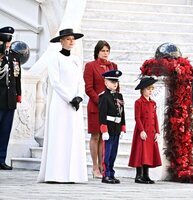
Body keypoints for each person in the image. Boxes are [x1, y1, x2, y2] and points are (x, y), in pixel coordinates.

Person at [37, 29, 88, 183]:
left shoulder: (76, 60)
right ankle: (55, 174)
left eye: (73, 39)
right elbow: (55, 82)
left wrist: (79, 96)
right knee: (59, 136)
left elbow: (81, 81)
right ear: (61, 41)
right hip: (60, 103)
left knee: (73, 136)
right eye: (68, 39)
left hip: (75, 105)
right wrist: (70, 98)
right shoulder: (54, 58)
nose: (71, 42)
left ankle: (73, 174)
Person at [83, 40, 118, 178]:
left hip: (110, 109)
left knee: (106, 137)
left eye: (107, 51)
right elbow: (88, 88)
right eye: (103, 50)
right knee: (96, 135)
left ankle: (104, 166)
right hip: (96, 106)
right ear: (97, 52)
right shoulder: (90, 66)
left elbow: (116, 86)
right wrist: (102, 101)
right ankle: (95, 167)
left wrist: (114, 104)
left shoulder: (113, 66)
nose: (105, 53)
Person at [128, 77, 162, 184]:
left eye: (152, 89)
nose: (150, 91)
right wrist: (141, 130)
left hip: (151, 132)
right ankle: (138, 176)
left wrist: (157, 131)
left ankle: (146, 175)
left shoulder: (153, 103)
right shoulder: (138, 102)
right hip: (142, 131)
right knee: (140, 153)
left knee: (149, 153)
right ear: (142, 90)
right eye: (148, 89)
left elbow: (155, 117)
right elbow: (137, 118)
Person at [99, 69, 126, 184]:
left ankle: (111, 173)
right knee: (108, 152)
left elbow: (122, 112)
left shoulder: (119, 95)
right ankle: (105, 174)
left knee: (114, 152)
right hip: (109, 128)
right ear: (105, 82)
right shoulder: (104, 97)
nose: (115, 84)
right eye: (112, 81)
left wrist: (123, 128)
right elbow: (102, 114)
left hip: (117, 128)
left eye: (116, 82)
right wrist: (104, 130)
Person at [0, 26, 21, 170]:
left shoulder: (14, 56)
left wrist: (18, 94)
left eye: (9, 42)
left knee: (5, 132)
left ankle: (1, 159)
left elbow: (17, 77)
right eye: (4, 42)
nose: (7, 44)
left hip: (9, 100)